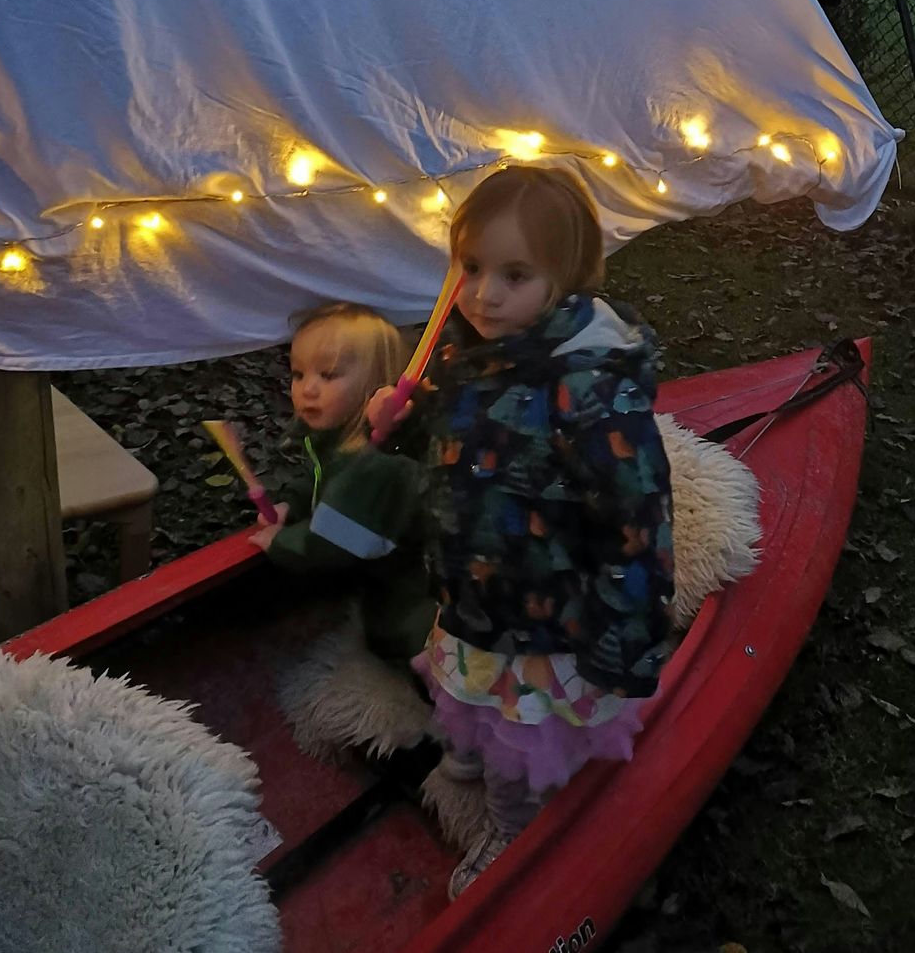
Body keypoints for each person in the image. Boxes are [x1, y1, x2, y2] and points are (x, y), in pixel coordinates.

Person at [369, 165, 674, 898]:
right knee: (466, 694)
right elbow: (457, 450)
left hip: (543, 616)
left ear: (564, 281)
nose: (482, 294)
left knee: (516, 741)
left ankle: (510, 834)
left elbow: (636, 520)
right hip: (477, 590)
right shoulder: (472, 356)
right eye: (470, 268)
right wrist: (405, 429)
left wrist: (620, 632)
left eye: (514, 274)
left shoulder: (591, 389)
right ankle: (470, 749)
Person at [250, 303, 434, 667]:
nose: (308, 389)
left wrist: (281, 543)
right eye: (299, 374)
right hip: (376, 570)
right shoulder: (337, 440)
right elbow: (321, 477)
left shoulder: (377, 464)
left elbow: (334, 540)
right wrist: (294, 503)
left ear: (375, 386)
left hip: (413, 591)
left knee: (394, 635)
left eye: (328, 375)